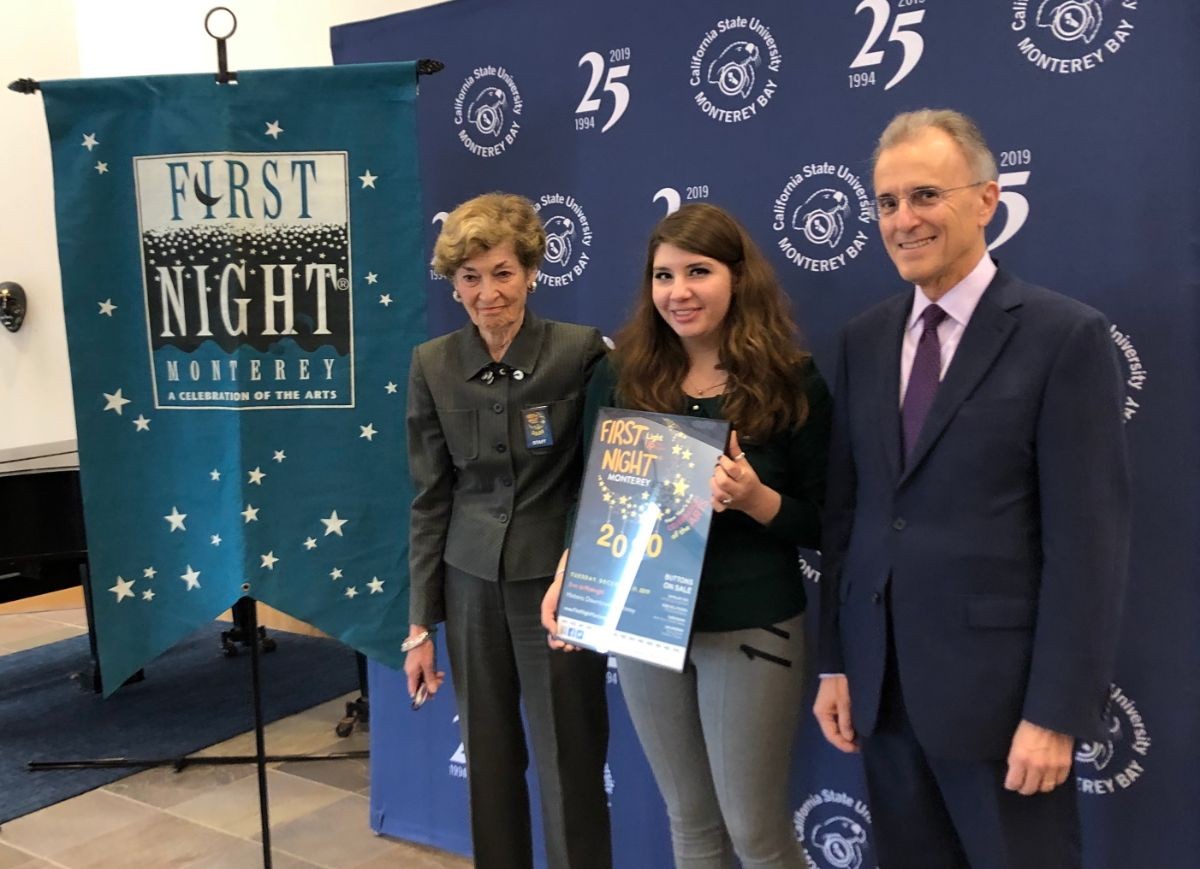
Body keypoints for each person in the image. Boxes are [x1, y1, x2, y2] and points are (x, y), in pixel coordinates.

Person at [812, 109, 1130, 869]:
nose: (903, 220)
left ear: (987, 199)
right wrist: (837, 662)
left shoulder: (1064, 336)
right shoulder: (862, 340)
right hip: (883, 697)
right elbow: (849, 515)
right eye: (887, 202)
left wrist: (1056, 712)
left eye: (926, 195)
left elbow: (1088, 545)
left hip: (1004, 709)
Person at [543, 203, 831, 869]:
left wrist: (756, 498)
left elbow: (828, 521)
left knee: (756, 833)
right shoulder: (620, 375)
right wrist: (569, 573)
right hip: (645, 626)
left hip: (751, 626)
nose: (679, 292)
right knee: (691, 823)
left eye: (698, 271)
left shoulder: (792, 379)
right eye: (663, 275)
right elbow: (594, 492)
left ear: (738, 277)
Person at [404, 192, 611, 869]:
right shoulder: (432, 363)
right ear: (453, 283)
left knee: (569, 759)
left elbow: (601, 479)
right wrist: (419, 625)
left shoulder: (579, 352)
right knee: (488, 761)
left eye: (501, 273)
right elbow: (430, 497)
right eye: (470, 276)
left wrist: (579, 570)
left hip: (557, 586)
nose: (487, 293)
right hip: (469, 586)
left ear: (530, 272)